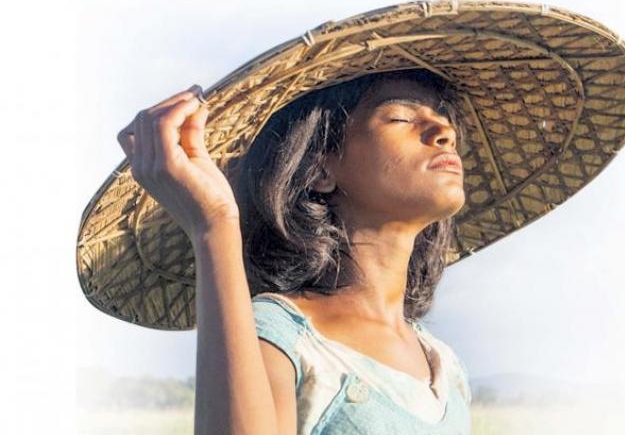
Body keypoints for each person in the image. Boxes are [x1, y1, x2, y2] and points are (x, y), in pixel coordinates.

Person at [116, 69, 474, 434]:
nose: (444, 132)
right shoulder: (278, 333)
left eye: (443, 117)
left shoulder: (444, 364)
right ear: (319, 169)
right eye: (400, 117)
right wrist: (215, 226)